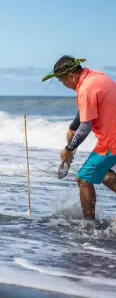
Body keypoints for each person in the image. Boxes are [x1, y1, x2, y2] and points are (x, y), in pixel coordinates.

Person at [42, 55, 116, 219]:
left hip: (112, 140)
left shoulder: (86, 89)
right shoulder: (96, 76)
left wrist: (69, 148)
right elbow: (87, 109)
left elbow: (86, 127)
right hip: (112, 137)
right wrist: (72, 127)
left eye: (63, 82)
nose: (65, 86)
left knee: (83, 179)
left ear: (71, 76)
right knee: (102, 173)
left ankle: (89, 227)